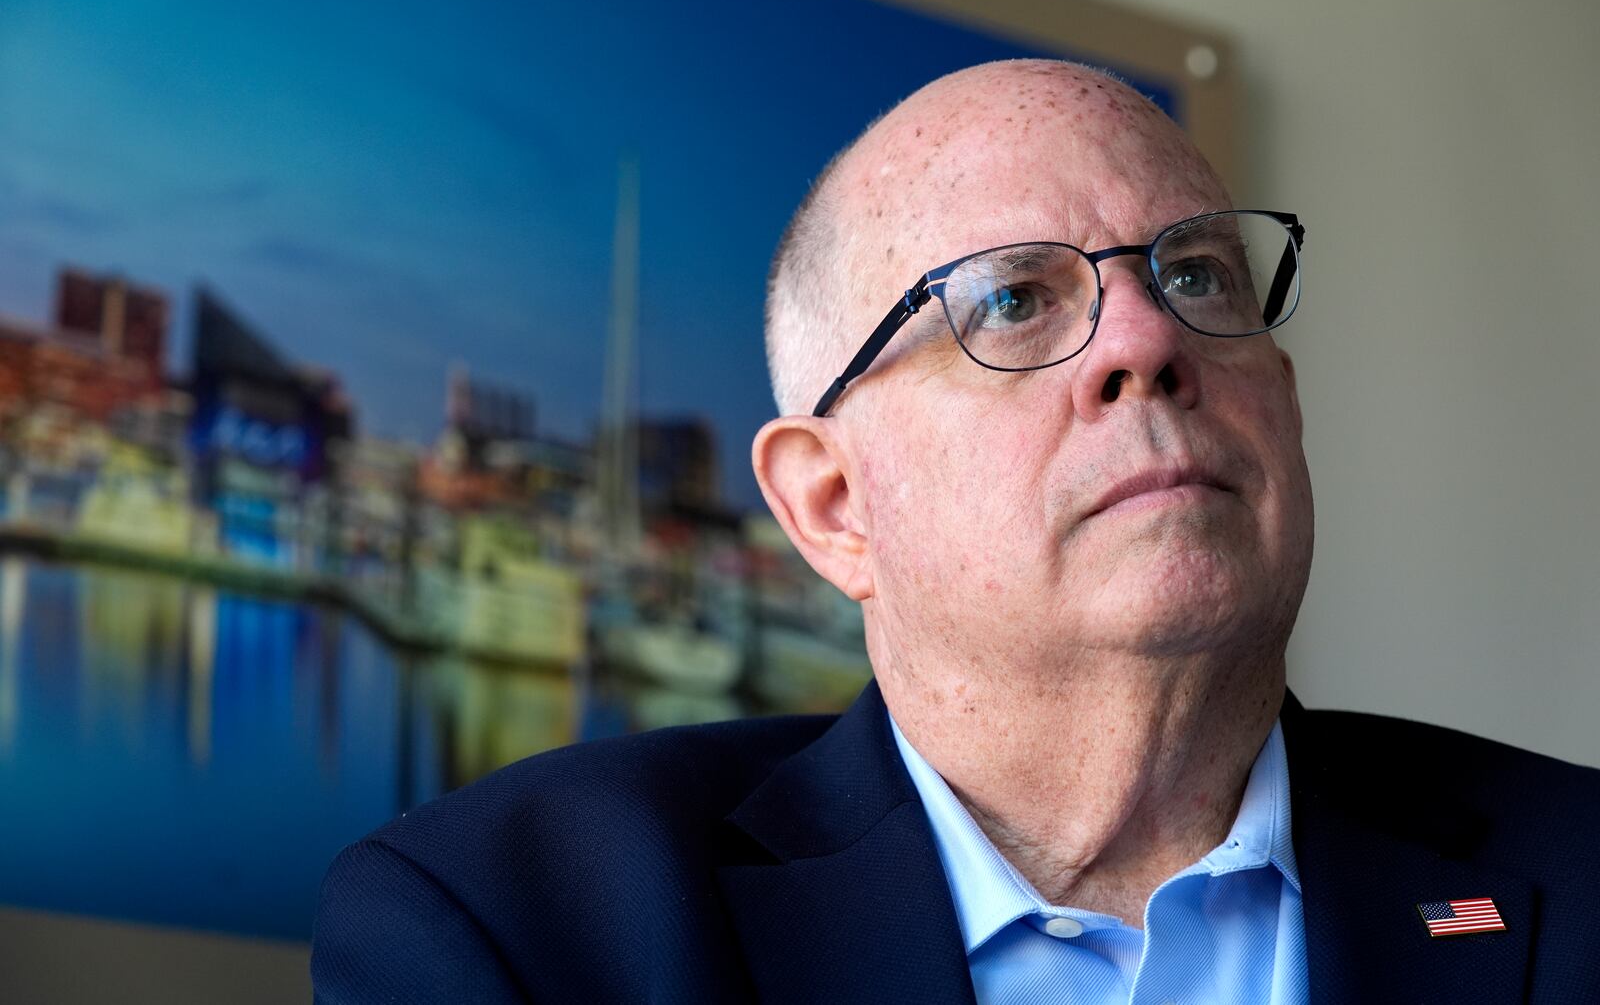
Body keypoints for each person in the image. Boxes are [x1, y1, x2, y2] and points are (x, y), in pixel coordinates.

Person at [310, 60, 1600, 1003]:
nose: (1147, 341)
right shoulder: (515, 933)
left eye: (1198, 277)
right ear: (833, 505)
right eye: (1013, 301)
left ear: (1288, 406)